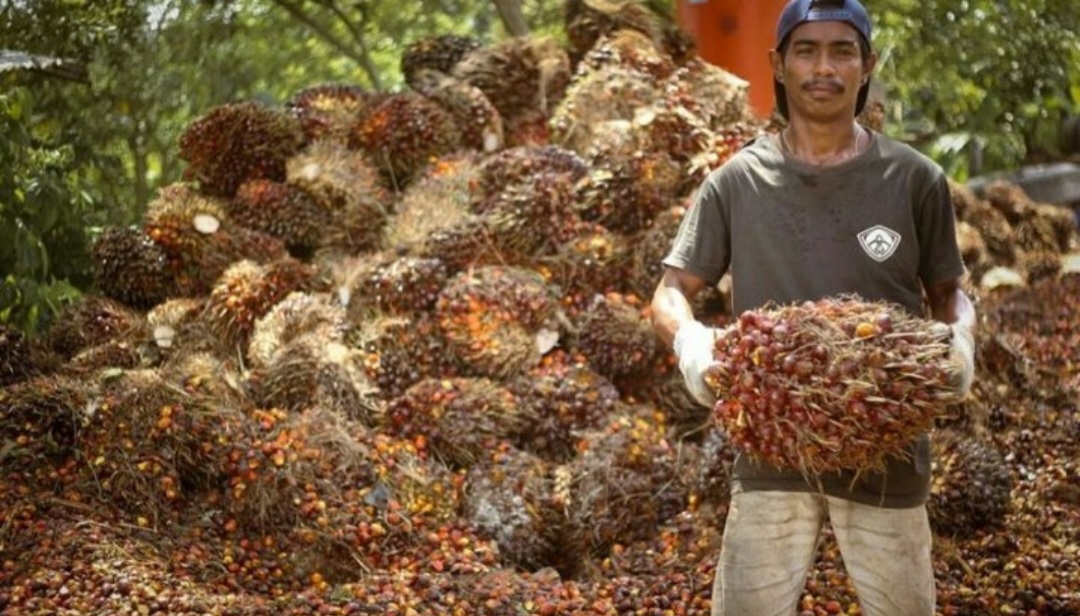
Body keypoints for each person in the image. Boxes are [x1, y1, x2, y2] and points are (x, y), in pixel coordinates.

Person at [649, 1, 977, 615]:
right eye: (806, 50)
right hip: (771, 457)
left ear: (867, 63)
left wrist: (960, 339)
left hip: (888, 454)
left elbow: (948, 291)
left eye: (841, 50)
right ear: (778, 64)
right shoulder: (736, 182)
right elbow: (670, 293)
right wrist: (694, 347)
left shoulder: (915, 179)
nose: (823, 67)